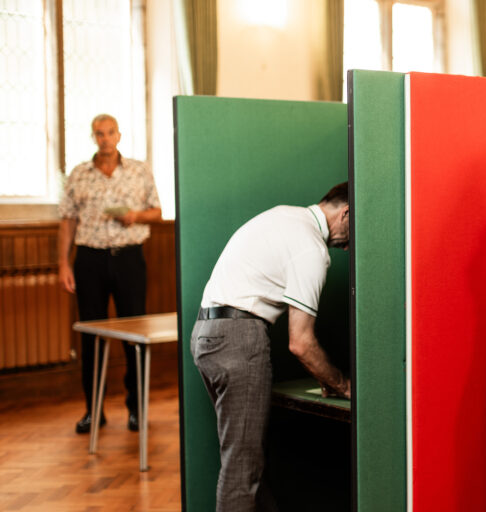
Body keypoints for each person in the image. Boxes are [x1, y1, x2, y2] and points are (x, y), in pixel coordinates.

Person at [190, 181, 352, 512]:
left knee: (248, 461)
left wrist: (325, 380)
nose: (350, 248)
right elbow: (301, 343)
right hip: (239, 340)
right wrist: (343, 384)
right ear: (347, 213)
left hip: (206, 334)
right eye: (356, 234)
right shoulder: (311, 248)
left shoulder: (283, 216)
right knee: (242, 470)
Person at [58, 114, 162, 434]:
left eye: (110, 133)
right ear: (93, 138)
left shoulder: (140, 171)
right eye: (99, 134)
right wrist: (63, 263)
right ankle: (93, 410)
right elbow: (67, 221)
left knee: (134, 334)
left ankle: (136, 409)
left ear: (119, 135)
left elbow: (157, 212)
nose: (105, 138)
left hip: (129, 258)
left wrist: (135, 216)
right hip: (89, 259)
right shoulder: (78, 175)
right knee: (91, 334)